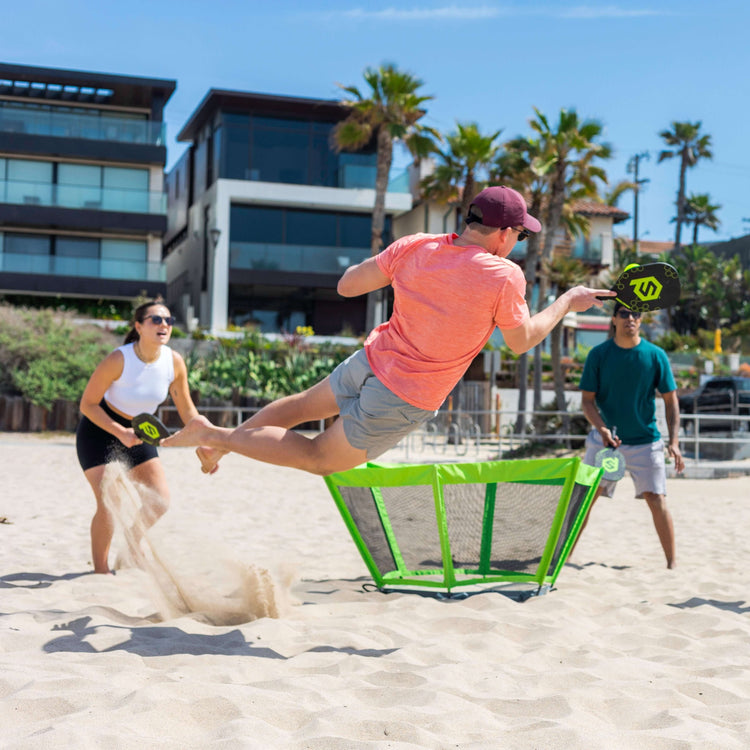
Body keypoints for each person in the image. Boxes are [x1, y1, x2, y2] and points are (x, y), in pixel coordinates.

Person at [162, 185, 615, 476]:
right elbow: (520, 342)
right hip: (405, 392)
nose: (518, 242)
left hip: (372, 360)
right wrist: (567, 302)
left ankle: (222, 445)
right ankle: (214, 436)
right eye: (520, 233)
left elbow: (347, 284)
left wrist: (401, 271)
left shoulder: (417, 245)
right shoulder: (503, 275)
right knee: (320, 458)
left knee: (298, 406)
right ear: (502, 233)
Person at [76, 299, 199, 574]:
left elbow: (187, 408)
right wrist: (120, 432)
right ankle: (100, 571)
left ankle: (133, 541)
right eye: (156, 319)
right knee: (111, 502)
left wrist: (207, 441)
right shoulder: (119, 359)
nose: (164, 325)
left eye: (168, 320)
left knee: (160, 499)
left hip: (140, 432)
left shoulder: (174, 362)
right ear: (139, 326)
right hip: (99, 431)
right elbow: (87, 405)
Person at [575, 300, 685, 568]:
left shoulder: (655, 355)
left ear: (641, 319)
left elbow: (671, 400)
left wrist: (674, 442)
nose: (630, 318)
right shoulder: (599, 355)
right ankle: (560, 558)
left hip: (645, 443)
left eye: (636, 314)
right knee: (585, 499)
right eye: (624, 313)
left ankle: (672, 566)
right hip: (607, 445)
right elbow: (587, 400)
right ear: (613, 320)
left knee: (656, 499)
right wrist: (601, 428)